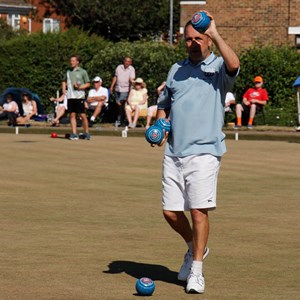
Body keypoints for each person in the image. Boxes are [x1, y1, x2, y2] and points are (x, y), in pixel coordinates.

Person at [155, 11, 239, 294]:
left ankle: (197, 271)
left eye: (198, 38)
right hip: (174, 150)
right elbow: (164, 103)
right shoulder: (175, 70)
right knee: (170, 212)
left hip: (205, 152)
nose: (193, 43)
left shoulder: (218, 68)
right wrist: (161, 124)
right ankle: (195, 249)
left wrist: (214, 32)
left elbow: (235, 64)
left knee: (198, 212)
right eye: (188, 39)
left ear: (208, 41)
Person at [62, 55, 90, 140]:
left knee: (82, 115)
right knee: (72, 115)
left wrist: (80, 87)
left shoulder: (83, 71)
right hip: (70, 96)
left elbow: (88, 83)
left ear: (77, 62)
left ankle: (87, 132)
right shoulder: (68, 71)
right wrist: (63, 89)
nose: (71, 62)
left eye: (73, 61)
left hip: (79, 96)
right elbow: (64, 81)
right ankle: (74, 133)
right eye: (71, 61)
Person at [110, 56, 135, 126]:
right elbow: (115, 77)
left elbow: (131, 79)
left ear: (130, 63)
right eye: (126, 61)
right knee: (119, 105)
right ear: (124, 61)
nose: (127, 62)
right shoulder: (119, 67)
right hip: (117, 88)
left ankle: (121, 119)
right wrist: (112, 86)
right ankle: (121, 120)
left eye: (129, 61)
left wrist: (133, 84)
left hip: (125, 89)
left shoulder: (131, 69)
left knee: (120, 103)